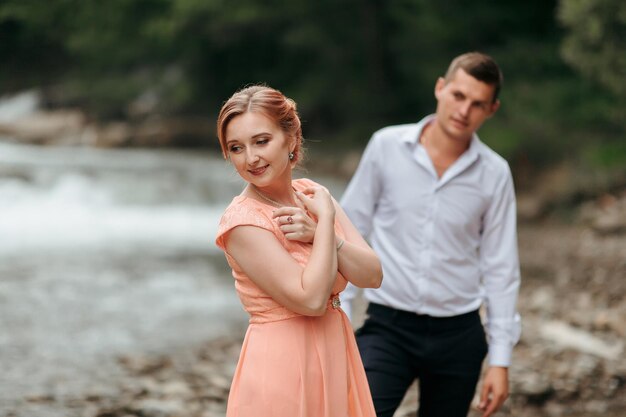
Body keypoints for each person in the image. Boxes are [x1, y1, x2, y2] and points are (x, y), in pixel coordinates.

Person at [339, 52, 521, 417]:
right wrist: (338, 318)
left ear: (492, 109)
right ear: (440, 88)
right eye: (458, 95)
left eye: (477, 103)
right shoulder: (386, 147)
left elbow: (501, 266)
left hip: (459, 334)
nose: (464, 110)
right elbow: (347, 231)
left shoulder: (495, 173)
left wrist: (500, 362)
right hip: (388, 324)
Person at [214, 85, 383, 417]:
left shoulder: (313, 194)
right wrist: (324, 227)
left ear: (291, 138)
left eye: (261, 141)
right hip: (282, 364)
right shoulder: (242, 223)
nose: (251, 158)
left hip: (334, 352)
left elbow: (372, 275)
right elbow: (310, 300)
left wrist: (324, 232)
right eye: (237, 148)